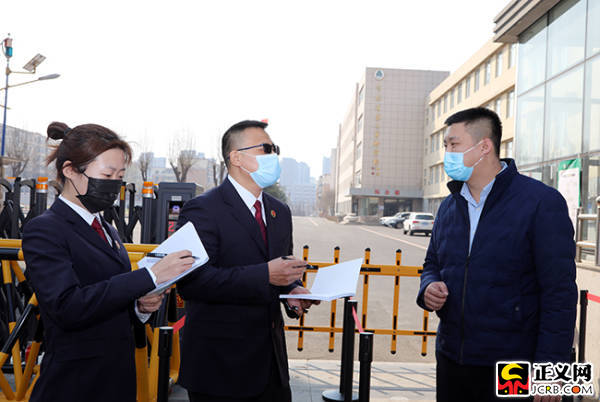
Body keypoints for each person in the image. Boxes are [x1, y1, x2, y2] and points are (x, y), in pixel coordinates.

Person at [22, 122, 194, 402]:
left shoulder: (106, 228)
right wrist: (149, 276)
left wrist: (139, 307)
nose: (114, 183)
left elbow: (108, 297)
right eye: (107, 174)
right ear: (69, 170)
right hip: (75, 384)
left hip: (115, 379)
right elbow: (67, 307)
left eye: (120, 175)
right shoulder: (45, 230)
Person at [416, 108, 577, 402]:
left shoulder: (540, 202)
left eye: (454, 144)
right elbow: (433, 263)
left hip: (514, 364)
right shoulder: (450, 205)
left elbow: (559, 292)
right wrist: (428, 286)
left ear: (484, 147)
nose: (447, 154)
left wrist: (552, 369)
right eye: (445, 146)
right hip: (453, 358)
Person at [176, 120, 318, 402]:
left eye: (275, 149)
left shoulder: (279, 211)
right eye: (266, 149)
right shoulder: (202, 209)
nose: (273, 156)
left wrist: (292, 290)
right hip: (220, 369)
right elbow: (192, 283)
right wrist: (264, 275)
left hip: (272, 369)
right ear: (236, 157)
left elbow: (280, 269)